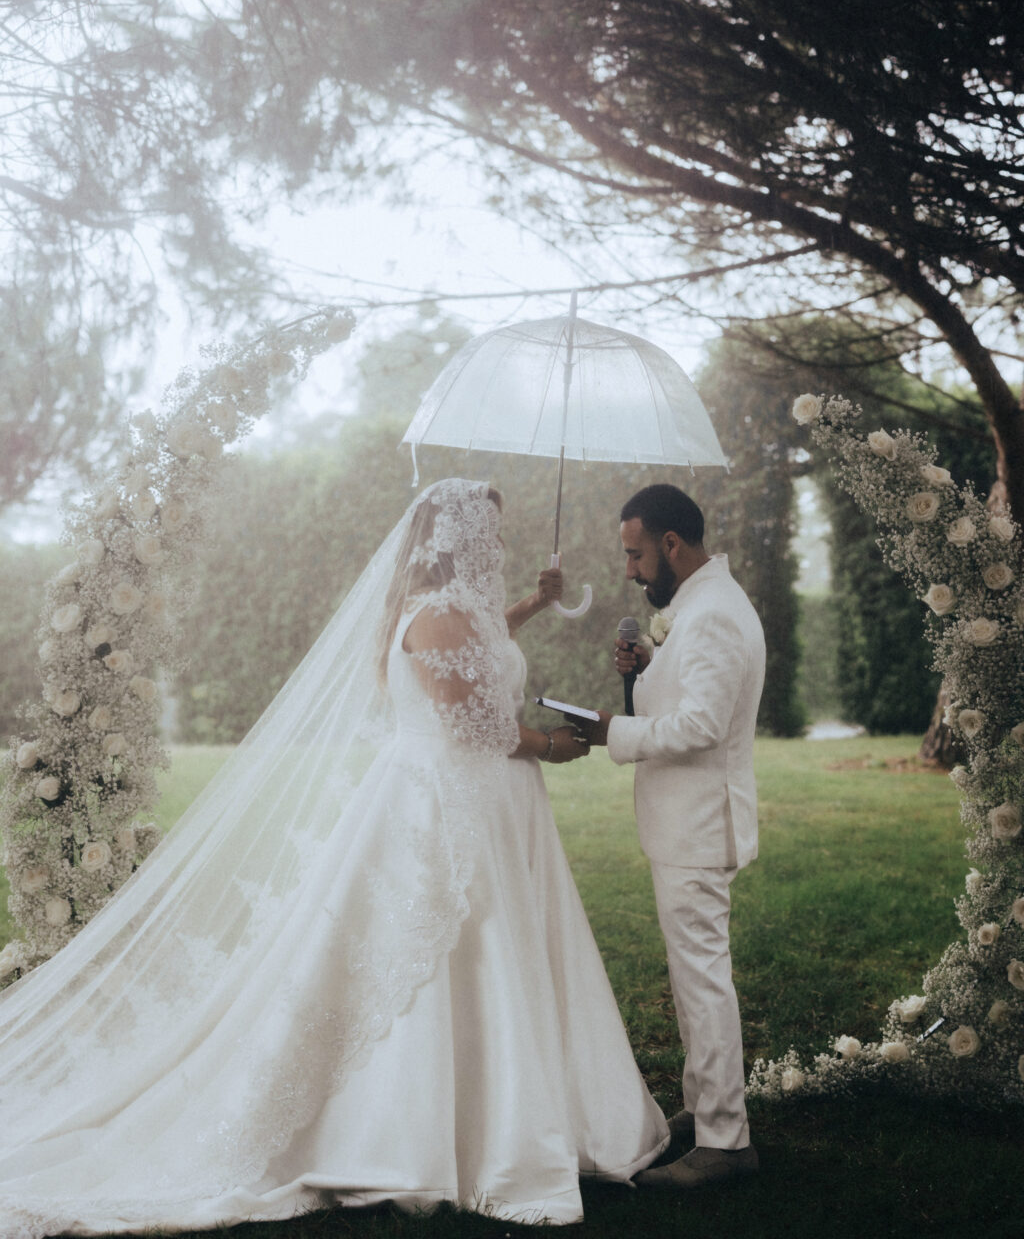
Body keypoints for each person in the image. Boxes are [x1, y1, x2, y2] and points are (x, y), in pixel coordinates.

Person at [0, 478, 667, 1235]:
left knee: (499, 951)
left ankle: (514, 1109)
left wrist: (533, 607)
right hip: (442, 804)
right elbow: (470, 722)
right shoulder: (435, 616)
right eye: (493, 533)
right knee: (454, 954)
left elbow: (480, 652)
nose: (502, 546)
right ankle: (430, 1129)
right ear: (460, 541)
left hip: (481, 802)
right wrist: (548, 743)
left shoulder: (450, 612)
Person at [571, 483, 764, 1190]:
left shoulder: (711, 615)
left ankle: (725, 1143)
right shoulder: (703, 606)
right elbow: (695, 694)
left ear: (672, 545)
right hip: (686, 825)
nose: (630, 569)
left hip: (698, 826)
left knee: (703, 983)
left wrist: (612, 732)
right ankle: (705, 1108)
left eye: (636, 554)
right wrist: (650, 670)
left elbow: (704, 725)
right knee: (692, 981)